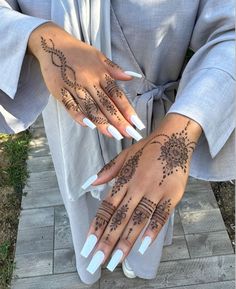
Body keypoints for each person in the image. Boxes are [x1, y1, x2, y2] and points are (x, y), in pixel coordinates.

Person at [0, 0, 235, 285]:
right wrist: (40, 36)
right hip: (72, 116)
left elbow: (230, 32)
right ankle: (92, 257)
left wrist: (180, 132)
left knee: (147, 205)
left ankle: (138, 258)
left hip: (154, 126)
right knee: (85, 198)